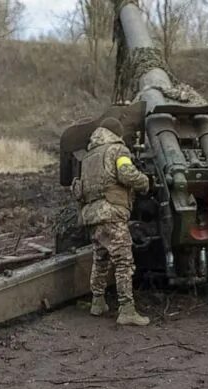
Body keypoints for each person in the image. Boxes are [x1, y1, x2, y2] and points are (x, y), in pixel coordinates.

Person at [73, 117, 152, 326]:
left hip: (93, 215)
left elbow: (80, 189)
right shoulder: (117, 150)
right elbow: (127, 174)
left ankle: (97, 303)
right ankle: (126, 309)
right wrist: (145, 182)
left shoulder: (89, 156)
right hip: (112, 213)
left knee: (100, 259)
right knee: (123, 261)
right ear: (116, 134)